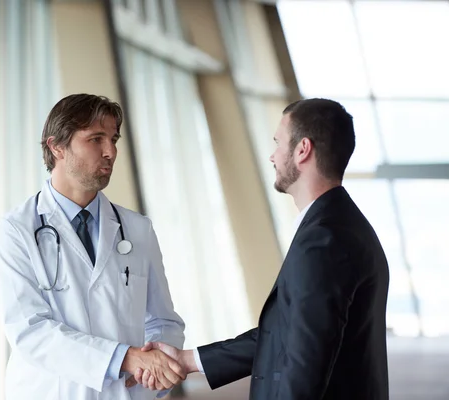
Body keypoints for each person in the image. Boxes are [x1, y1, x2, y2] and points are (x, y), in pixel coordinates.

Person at [131, 98, 390, 400]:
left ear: (303, 149)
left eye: (279, 142)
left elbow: (307, 363)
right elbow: (285, 336)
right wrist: (188, 360)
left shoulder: (324, 240)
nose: (272, 155)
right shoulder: (339, 224)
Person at [0, 93, 186, 400]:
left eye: (113, 139)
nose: (111, 152)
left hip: (127, 393)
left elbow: (162, 320)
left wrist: (158, 368)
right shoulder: (15, 231)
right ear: (57, 147)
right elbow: (30, 331)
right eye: (96, 139)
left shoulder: (137, 229)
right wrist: (128, 358)